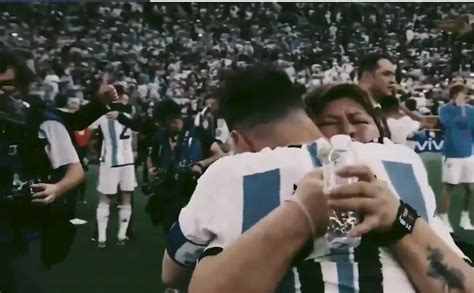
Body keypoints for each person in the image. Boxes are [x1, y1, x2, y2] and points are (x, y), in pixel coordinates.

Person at [165, 67, 471, 292]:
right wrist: (400, 219)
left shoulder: (229, 173)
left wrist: (299, 217)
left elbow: (173, 273)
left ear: (237, 139)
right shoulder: (401, 162)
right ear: (307, 118)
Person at [0, 46, 84, 292]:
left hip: (23, 232)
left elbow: (75, 170)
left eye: (8, 85)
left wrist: (57, 188)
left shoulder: (43, 121)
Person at [144, 99, 224, 235]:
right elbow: (150, 157)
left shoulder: (198, 133)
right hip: (168, 194)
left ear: (173, 121)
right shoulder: (160, 136)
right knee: (170, 235)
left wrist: (201, 164)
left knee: (194, 236)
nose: (162, 128)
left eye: (164, 124)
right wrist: (151, 169)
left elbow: (220, 154)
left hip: (192, 193)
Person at [89, 94, 137, 248]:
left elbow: (87, 130)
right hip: (128, 161)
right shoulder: (129, 117)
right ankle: (121, 235)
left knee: (104, 199)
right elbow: (135, 142)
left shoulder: (102, 117)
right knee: (126, 199)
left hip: (110, 161)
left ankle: (102, 237)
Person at [438, 84, 474, 231]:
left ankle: (465, 218)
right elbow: (449, 124)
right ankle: (443, 218)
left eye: (466, 95)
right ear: (453, 96)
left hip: (468, 153)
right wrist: (459, 108)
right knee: (449, 186)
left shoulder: (471, 111)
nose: (465, 97)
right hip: (452, 154)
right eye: (462, 94)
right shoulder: (445, 110)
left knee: (470, 188)